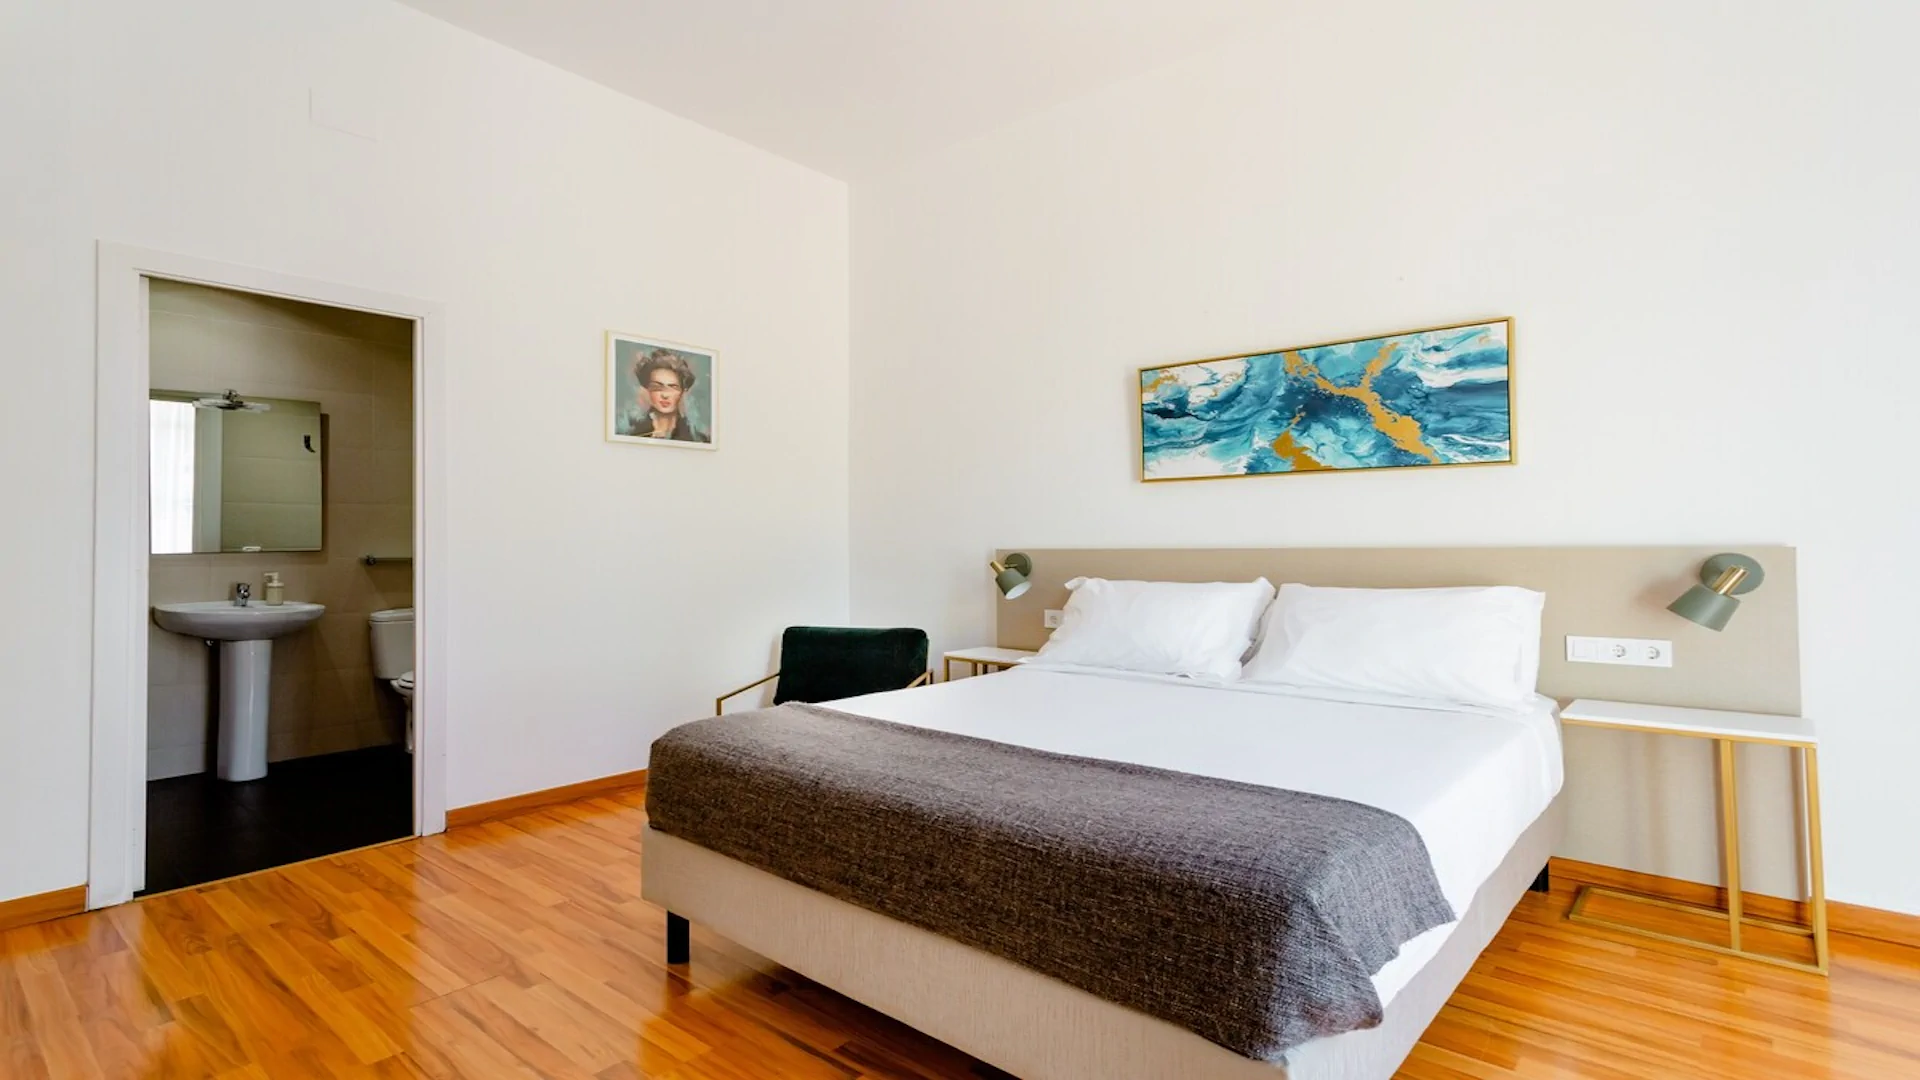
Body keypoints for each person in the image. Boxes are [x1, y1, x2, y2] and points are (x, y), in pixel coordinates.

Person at [622, 348, 708, 442]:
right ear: (648, 389)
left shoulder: (697, 439)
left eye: (673, 387)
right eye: (657, 387)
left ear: (683, 391)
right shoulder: (631, 434)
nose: (665, 395)